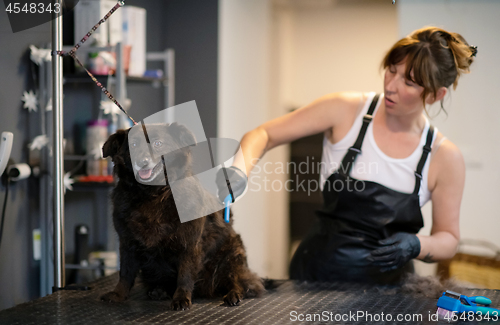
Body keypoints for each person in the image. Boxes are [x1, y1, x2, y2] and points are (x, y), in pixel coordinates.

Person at [216, 26, 476, 284]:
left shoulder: (444, 157)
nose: (391, 86)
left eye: (408, 82)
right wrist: (238, 171)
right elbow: (263, 134)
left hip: (390, 293)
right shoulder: (345, 110)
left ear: (435, 95)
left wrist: (416, 245)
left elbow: (449, 239)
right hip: (315, 280)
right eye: (391, 70)